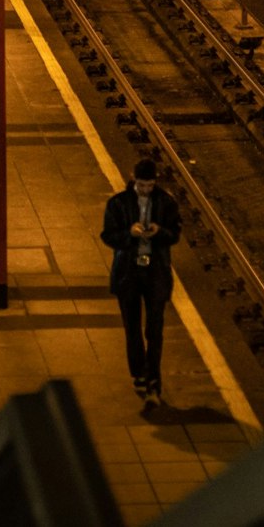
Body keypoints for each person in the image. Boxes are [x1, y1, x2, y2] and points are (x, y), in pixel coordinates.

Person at [101, 157, 181, 407]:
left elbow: (175, 234)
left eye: (150, 185)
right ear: (133, 179)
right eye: (142, 185)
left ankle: (153, 380)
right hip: (129, 272)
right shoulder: (118, 203)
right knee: (132, 327)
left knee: (155, 330)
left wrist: (159, 232)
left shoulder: (166, 202)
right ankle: (139, 372)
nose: (146, 189)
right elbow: (108, 236)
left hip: (155, 272)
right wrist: (129, 234)